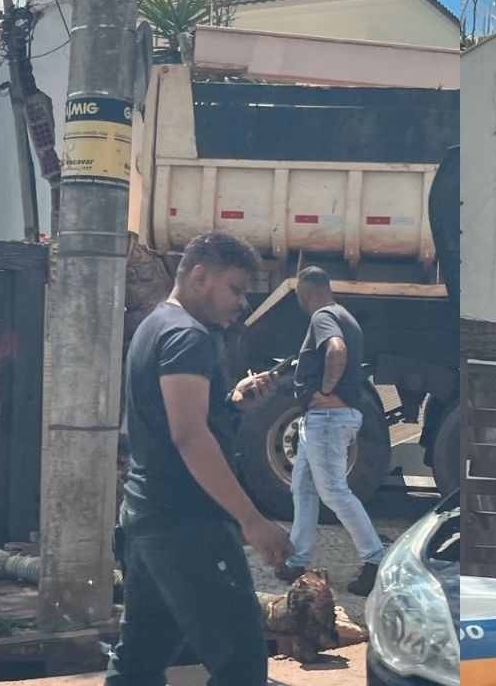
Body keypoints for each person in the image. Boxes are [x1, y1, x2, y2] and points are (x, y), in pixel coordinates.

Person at [106, 232, 292, 686]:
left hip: (148, 520)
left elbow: (176, 420)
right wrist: (251, 519)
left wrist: (230, 403)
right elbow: (189, 436)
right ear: (199, 276)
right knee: (242, 664)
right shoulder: (188, 337)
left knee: (140, 661)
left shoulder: (156, 326)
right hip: (189, 527)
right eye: (236, 289)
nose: (243, 302)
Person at [274, 266, 385, 596]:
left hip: (327, 420)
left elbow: (335, 350)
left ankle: (376, 560)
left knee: (334, 491)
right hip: (324, 421)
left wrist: (324, 389)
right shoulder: (344, 315)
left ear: (305, 293)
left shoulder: (322, 316)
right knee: (304, 488)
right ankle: (298, 560)